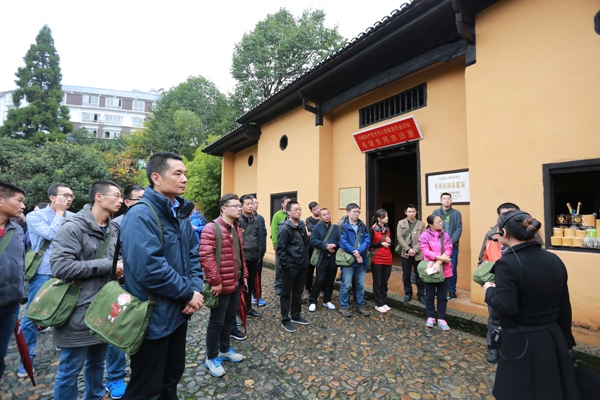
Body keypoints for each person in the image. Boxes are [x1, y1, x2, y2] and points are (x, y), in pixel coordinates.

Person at [120, 152, 204, 398]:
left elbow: (193, 256)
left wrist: (195, 289)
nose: (184, 179)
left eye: (185, 173)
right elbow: (149, 269)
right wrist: (188, 293)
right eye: (177, 173)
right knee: (146, 388)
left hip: (178, 312)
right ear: (156, 177)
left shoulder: (179, 214)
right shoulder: (141, 214)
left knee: (171, 378)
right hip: (152, 317)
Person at [483, 211, 580, 400]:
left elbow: (507, 307)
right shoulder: (554, 259)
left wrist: (489, 291)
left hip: (520, 340)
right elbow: (564, 306)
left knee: (519, 391)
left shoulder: (506, 264)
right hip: (552, 336)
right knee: (551, 390)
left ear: (504, 233)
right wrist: (565, 342)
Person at [50, 180, 122, 399]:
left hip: (103, 306)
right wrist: (109, 265)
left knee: (98, 362)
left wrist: (119, 268)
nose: (121, 200)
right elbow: (60, 267)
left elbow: (113, 261)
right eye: (116, 195)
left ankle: (95, 396)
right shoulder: (73, 226)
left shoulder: (112, 228)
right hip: (76, 308)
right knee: (70, 369)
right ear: (99, 197)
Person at [19, 183, 75, 378]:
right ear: (52, 197)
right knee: (33, 315)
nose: (69, 199)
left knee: (65, 310)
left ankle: (63, 345)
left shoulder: (73, 217)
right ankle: (27, 359)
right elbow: (51, 234)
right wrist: (59, 213)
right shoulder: (35, 216)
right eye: (65, 195)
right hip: (43, 271)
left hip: (66, 271)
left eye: (71, 196)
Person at [200, 194, 248, 377]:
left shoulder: (236, 227)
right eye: (235, 205)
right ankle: (211, 356)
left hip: (235, 281)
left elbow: (239, 254)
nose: (239, 208)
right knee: (216, 321)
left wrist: (244, 275)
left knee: (229, 319)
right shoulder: (211, 228)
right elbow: (206, 256)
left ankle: (224, 349)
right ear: (224, 208)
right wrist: (215, 281)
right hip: (221, 284)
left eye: (239, 205)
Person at [104, 184, 144, 399]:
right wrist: (120, 262)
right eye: (139, 199)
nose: (145, 203)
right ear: (127, 202)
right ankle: (115, 377)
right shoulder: (117, 224)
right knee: (117, 330)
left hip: (145, 285)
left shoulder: (152, 221)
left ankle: (141, 375)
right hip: (122, 284)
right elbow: (111, 254)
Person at [0, 182, 26, 381]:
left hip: (10, 306)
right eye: (19, 200)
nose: (23, 205)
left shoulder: (16, 230)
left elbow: (20, 263)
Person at [277, 200, 310, 332]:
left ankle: (296, 315)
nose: (298, 211)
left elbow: (306, 243)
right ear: (288, 212)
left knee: (298, 292)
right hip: (290, 266)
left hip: (302, 265)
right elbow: (281, 248)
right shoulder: (284, 227)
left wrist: (305, 260)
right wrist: (286, 265)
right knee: (286, 293)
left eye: (300, 209)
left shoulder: (302, 225)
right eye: (295, 209)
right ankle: (285, 319)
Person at [419, 214, 453, 331]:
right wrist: (440, 259)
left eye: (441, 221)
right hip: (430, 269)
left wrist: (438, 262)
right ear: (431, 225)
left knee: (442, 296)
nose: (441, 223)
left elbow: (449, 249)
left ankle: (441, 318)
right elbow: (425, 251)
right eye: (438, 222)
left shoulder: (445, 235)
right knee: (429, 295)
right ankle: (431, 316)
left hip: (445, 269)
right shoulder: (424, 236)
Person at [338, 203, 371, 318]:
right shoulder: (343, 226)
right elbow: (343, 242)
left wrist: (360, 251)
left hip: (361, 258)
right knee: (346, 284)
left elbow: (367, 239)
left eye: (358, 211)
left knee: (360, 284)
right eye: (354, 211)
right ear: (348, 212)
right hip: (348, 259)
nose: (357, 214)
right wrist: (354, 252)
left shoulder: (362, 225)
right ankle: (344, 306)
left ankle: (360, 304)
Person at [308, 208, 339, 312]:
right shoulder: (317, 228)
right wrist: (325, 246)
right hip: (322, 257)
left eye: (328, 214)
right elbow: (313, 240)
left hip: (333, 258)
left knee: (330, 281)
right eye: (324, 215)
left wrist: (334, 245)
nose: (327, 216)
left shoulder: (336, 228)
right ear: (320, 217)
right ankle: (313, 301)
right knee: (319, 280)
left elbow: (341, 241)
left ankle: (327, 300)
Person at [432, 192, 462, 300]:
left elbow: (458, 229)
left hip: (453, 246)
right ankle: (438, 290)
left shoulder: (456, 213)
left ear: (451, 200)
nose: (446, 200)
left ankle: (452, 290)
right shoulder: (435, 212)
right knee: (437, 266)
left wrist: (450, 243)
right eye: (444, 198)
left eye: (448, 198)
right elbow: (432, 228)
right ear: (440, 201)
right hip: (437, 246)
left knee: (452, 268)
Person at [237, 194, 262, 319]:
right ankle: (238, 310)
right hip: (242, 257)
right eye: (247, 204)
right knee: (240, 284)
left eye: (252, 203)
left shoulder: (256, 220)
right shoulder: (237, 220)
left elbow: (259, 238)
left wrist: (259, 254)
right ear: (241, 206)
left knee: (250, 284)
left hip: (254, 257)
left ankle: (248, 308)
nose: (251, 206)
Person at [396, 204, 426, 305]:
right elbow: (399, 237)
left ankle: (421, 294)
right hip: (406, 253)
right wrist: (408, 249)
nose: (411, 213)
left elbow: (423, 239)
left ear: (416, 212)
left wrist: (415, 249)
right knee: (406, 275)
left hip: (418, 254)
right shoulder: (401, 223)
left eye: (413, 211)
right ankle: (408, 293)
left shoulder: (421, 224)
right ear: (406, 213)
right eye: (409, 212)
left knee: (420, 275)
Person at [369, 209, 393, 314]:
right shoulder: (372, 229)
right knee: (377, 282)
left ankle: (384, 301)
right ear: (379, 218)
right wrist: (381, 244)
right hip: (377, 258)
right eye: (385, 216)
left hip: (388, 258)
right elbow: (369, 244)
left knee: (384, 282)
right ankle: (378, 303)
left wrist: (389, 242)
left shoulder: (388, 229)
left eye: (387, 216)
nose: (387, 218)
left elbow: (390, 243)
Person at [271, 196, 291, 295]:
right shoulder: (277, 215)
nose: (289, 204)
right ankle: (278, 285)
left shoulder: (292, 214)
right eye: (287, 202)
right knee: (279, 266)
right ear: (282, 204)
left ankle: (287, 285)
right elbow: (274, 230)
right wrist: (275, 243)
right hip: (280, 245)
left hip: (290, 246)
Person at [303, 201, 320, 302]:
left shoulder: (322, 218)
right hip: (311, 248)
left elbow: (314, 229)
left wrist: (313, 231)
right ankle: (307, 289)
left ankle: (320, 289)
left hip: (321, 247)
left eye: (318, 208)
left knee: (321, 270)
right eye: (315, 209)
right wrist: (318, 229)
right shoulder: (309, 219)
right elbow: (310, 227)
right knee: (309, 270)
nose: (317, 210)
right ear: (311, 211)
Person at [251, 196, 267, 308]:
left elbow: (263, 235)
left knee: (258, 276)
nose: (256, 205)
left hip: (259, 253)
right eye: (253, 203)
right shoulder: (242, 218)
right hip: (248, 253)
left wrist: (263, 250)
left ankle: (257, 296)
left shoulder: (260, 218)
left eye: (257, 203)